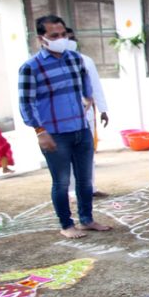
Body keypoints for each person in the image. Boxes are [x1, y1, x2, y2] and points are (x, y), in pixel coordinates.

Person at [18, 15, 111, 239]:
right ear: (42, 39)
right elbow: (26, 103)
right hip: (54, 134)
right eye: (54, 36)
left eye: (63, 34)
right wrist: (40, 131)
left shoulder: (75, 59)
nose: (61, 39)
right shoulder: (31, 67)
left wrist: (88, 98)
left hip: (80, 129)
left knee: (85, 179)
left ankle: (87, 219)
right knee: (61, 182)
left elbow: (85, 84)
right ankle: (66, 224)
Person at [65, 27, 110, 198]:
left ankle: (89, 187)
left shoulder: (85, 61)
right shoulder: (47, 66)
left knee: (87, 152)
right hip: (63, 119)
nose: (67, 41)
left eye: (70, 37)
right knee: (67, 155)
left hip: (86, 115)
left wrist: (103, 109)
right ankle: (71, 190)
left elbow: (95, 86)